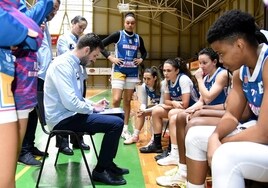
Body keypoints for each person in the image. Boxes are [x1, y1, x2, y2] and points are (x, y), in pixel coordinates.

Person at [185, 10, 268, 188]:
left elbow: (263, 132)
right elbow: (231, 115)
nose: (220, 61)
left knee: (225, 156)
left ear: (239, 45)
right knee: (194, 136)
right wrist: (215, 136)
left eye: (221, 53)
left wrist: (221, 143)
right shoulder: (240, 72)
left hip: (264, 136)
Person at [44, 33, 129, 185]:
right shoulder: (62, 65)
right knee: (115, 124)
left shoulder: (75, 64)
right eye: (95, 55)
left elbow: (77, 98)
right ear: (86, 50)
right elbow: (71, 102)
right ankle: (100, 171)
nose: (94, 59)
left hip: (70, 114)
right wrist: (92, 110)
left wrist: (93, 104)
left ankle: (108, 164)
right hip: (61, 120)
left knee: (119, 116)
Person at [155, 48, 230, 187]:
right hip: (209, 110)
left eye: (204, 63)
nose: (201, 66)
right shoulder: (207, 77)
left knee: (190, 121)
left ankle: (189, 170)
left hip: (221, 112)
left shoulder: (222, 75)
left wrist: (199, 80)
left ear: (215, 62)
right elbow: (201, 102)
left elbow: (207, 98)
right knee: (181, 117)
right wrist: (188, 111)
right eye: (200, 63)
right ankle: (182, 167)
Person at [0, 0, 45, 186]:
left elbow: (35, 37)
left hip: (10, 82)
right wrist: (25, 32)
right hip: (9, 83)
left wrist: (25, 32)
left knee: (8, 173)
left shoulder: (16, 6)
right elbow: (29, 36)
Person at [17, 0, 60, 166]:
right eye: (53, 8)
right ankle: (23, 151)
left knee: (34, 113)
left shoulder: (44, 24)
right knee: (26, 112)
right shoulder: (31, 18)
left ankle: (29, 145)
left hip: (39, 74)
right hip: (28, 74)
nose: (54, 11)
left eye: (56, 9)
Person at [101, 12, 147, 140]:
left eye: (132, 23)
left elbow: (144, 52)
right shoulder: (118, 35)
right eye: (128, 22)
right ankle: (112, 125)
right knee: (116, 100)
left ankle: (124, 129)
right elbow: (100, 44)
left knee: (127, 101)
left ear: (135, 24)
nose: (130, 25)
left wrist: (141, 59)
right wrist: (110, 57)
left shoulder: (138, 38)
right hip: (118, 70)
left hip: (132, 72)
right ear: (124, 23)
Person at [139, 57, 199, 153]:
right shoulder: (167, 82)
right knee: (156, 111)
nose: (165, 73)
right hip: (178, 107)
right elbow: (166, 101)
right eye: (164, 70)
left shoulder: (183, 79)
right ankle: (157, 144)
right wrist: (173, 102)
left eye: (169, 70)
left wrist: (171, 104)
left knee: (172, 113)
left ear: (177, 71)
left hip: (192, 109)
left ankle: (172, 149)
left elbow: (185, 104)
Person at [55, 15, 89, 155]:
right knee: (64, 109)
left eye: (84, 28)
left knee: (80, 108)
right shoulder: (64, 39)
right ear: (73, 23)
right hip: (67, 78)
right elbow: (67, 56)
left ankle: (77, 140)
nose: (81, 30)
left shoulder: (82, 40)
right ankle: (62, 143)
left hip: (80, 78)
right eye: (80, 26)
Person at [124, 66, 165, 144]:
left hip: (165, 107)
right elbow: (144, 103)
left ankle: (154, 140)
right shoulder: (144, 87)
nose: (146, 81)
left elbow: (161, 104)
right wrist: (142, 109)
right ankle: (135, 136)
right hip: (157, 107)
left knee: (154, 113)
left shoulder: (162, 85)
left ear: (155, 78)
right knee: (141, 113)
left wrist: (146, 110)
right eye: (144, 78)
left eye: (149, 79)